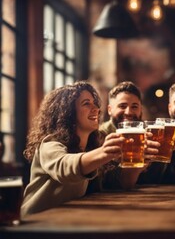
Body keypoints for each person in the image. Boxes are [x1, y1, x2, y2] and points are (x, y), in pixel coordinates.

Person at [21, 81, 126, 217]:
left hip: (64, 219)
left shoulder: (89, 146)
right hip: (34, 223)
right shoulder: (50, 143)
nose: (96, 109)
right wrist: (104, 152)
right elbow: (64, 167)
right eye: (86, 103)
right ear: (68, 112)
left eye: (95, 103)